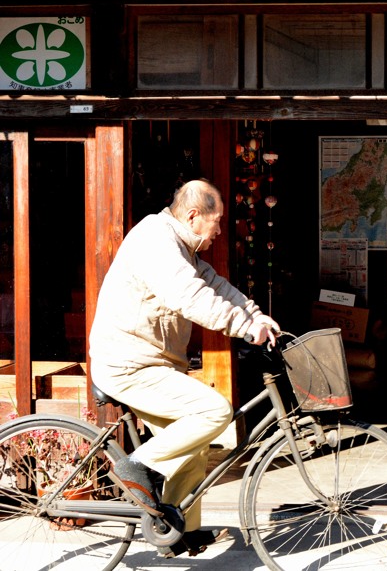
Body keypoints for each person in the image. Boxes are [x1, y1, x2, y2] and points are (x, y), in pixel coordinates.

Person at [89, 179, 280, 557]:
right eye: (217, 221)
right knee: (215, 410)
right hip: (128, 363)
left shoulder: (182, 247)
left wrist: (256, 315)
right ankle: (136, 466)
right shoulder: (156, 241)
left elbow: (214, 285)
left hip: (151, 363)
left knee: (193, 449)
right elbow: (189, 296)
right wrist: (244, 328)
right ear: (194, 216)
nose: (220, 230)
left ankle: (178, 530)